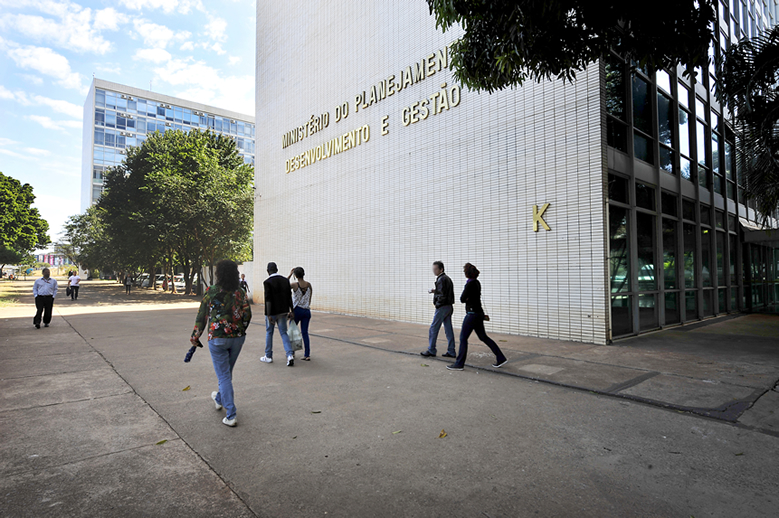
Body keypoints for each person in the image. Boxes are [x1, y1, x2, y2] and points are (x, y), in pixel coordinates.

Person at [191, 259, 252, 427]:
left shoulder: (211, 291)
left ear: (218, 274)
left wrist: (195, 336)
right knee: (226, 372)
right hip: (237, 338)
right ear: (235, 274)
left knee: (224, 374)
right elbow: (248, 315)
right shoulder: (240, 292)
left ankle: (231, 414)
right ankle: (219, 398)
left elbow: (202, 316)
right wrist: (240, 329)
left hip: (217, 338)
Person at [447, 263, 508, 371]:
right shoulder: (477, 283)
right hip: (479, 313)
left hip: (471, 314)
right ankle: (501, 357)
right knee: (483, 337)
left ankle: (459, 363)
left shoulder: (469, 284)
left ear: (467, 274)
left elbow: (462, 299)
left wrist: (467, 299)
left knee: (463, 338)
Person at [262, 262, 295, 366]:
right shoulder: (285, 281)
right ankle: (289, 355)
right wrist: (292, 310)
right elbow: (289, 297)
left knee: (269, 333)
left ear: (268, 271)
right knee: (283, 333)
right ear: (277, 269)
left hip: (272, 312)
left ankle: (268, 356)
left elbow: (268, 299)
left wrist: (268, 314)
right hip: (283, 311)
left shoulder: (267, 282)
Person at [421, 261, 456, 358]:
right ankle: (451, 351)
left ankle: (431, 350)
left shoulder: (441, 279)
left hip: (442, 307)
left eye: (436, 269)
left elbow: (442, 295)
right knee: (448, 329)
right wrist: (434, 291)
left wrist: (437, 304)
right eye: (433, 269)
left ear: (441, 269)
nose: (434, 271)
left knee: (433, 328)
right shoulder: (447, 279)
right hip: (449, 306)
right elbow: (444, 291)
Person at [288, 267, 313, 361]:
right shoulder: (309, 285)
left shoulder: (295, 285)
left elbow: (283, 285)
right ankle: (307, 354)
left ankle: (292, 353)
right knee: (305, 333)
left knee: (292, 332)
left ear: (296, 275)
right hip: (306, 310)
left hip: (297, 310)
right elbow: (310, 298)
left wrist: (290, 274)